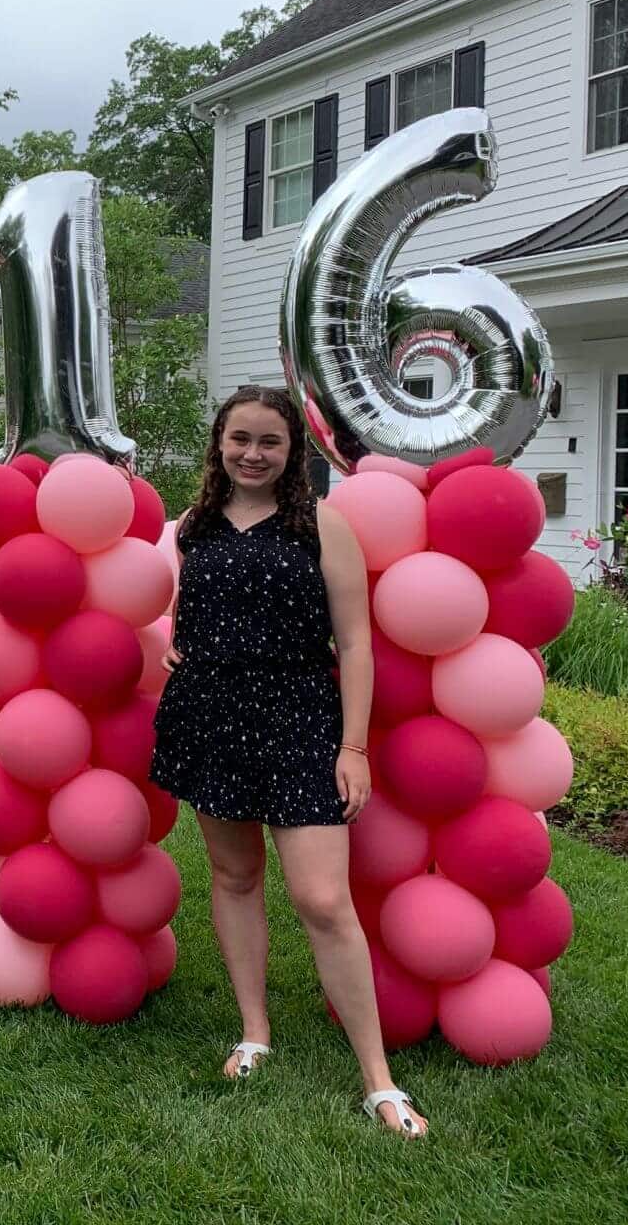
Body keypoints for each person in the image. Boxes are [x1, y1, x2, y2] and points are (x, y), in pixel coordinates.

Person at [149, 384, 428, 1139]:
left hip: (302, 720)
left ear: (291, 450)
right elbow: (189, 614)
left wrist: (355, 747)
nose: (252, 454)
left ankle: (377, 1078)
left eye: (269, 442)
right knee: (235, 877)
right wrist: (180, 641)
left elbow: (357, 643)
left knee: (322, 900)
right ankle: (254, 1030)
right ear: (218, 444)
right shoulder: (194, 528)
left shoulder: (322, 526)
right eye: (239, 439)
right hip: (211, 718)